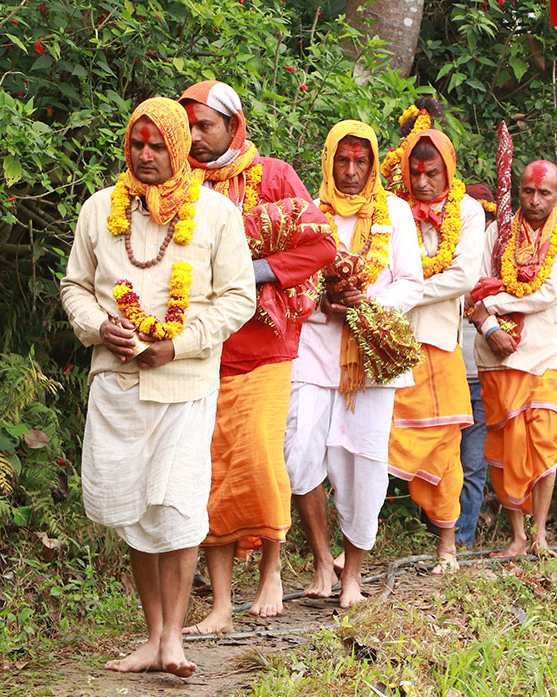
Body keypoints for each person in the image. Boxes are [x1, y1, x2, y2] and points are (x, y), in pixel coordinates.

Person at [60, 98, 256, 676]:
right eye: (137, 145)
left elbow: (238, 297)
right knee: (131, 510)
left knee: (177, 507)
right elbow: (74, 287)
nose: (146, 156)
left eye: (157, 145)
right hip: (117, 385)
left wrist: (180, 343)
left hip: (185, 382)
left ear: (177, 147)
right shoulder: (100, 210)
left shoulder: (216, 213)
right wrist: (100, 326)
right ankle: (151, 635)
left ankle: (174, 638)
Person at [177, 80, 336, 634]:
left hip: (266, 345)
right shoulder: (178, 185)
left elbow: (321, 244)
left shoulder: (272, 175)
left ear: (234, 125)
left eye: (205, 126)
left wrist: (254, 274)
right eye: (189, 127)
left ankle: (271, 570)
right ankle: (220, 604)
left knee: (264, 461)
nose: (195, 138)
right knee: (214, 469)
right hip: (201, 349)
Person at [283, 120, 423, 608]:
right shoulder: (309, 212)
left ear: (373, 164)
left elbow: (412, 282)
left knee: (363, 464)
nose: (351, 170)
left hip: (373, 354)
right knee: (299, 452)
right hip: (315, 348)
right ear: (327, 161)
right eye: (342, 160)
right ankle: (323, 561)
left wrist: (367, 304)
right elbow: (292, 279)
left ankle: (352, 576)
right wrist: (324, 301)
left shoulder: (397, 214)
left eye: (361, 161)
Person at [469, 161, 557, 557]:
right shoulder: (495, 234)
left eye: (544, 193)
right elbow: (473, 286)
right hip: (498, 354)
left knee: (545, 440)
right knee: (505, 445)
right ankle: (517, 536)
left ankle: (540, 535)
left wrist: (493, 300)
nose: (534, 200)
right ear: (517, 192)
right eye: (527, 192)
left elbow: (548, 292)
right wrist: (489, 326)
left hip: (548, 352)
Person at [385, 116, 485, 575]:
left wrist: (399, 292)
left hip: (441, 345)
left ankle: (447, 545)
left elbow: (463, 277)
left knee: (445, 445)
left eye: (433, 174)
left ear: (449, 170)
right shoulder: (391, 208)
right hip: (392, 342)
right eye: (416, 173)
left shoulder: (468, 211)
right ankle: (360, 540)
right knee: (378, 442)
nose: (423, 183)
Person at [457, 183, 497, 548]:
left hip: (483, 376)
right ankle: (440, 535)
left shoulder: (502, 263)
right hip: (449, 374)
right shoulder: (447, 256)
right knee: (439, 463)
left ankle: (462, 541)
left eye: (489, 219)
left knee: (472, 466)